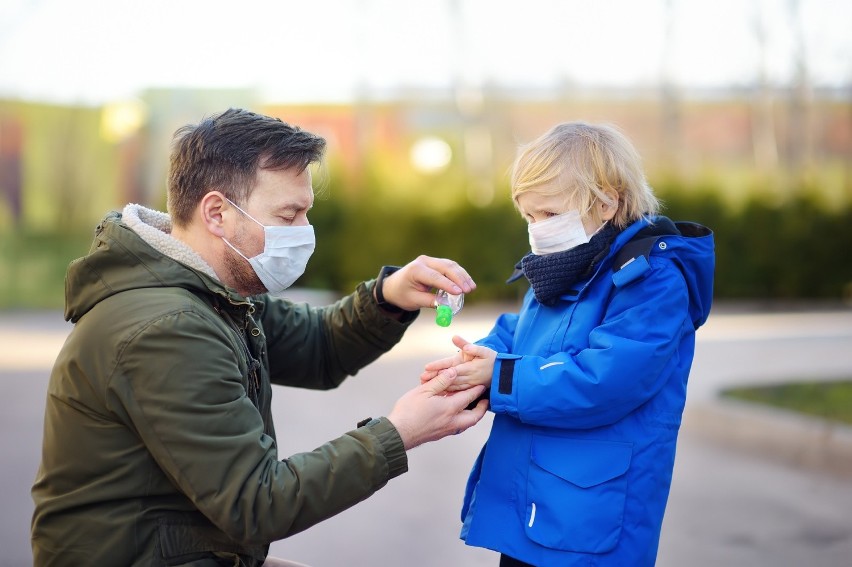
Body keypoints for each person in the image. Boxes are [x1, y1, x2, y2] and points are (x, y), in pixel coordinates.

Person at [30, 108, 489, 567]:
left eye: (306, 214)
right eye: (288, 215)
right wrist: (399, 433)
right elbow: (257, 502)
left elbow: (318, 349)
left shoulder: (210, 289)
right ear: (217, 213)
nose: (304, 233)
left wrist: (390, 296)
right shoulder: (168, 328)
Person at [421, 122, 715, 566]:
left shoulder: (652, 281)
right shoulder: (564, 265)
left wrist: (498, 375)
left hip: (588, 512)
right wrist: (470, 360)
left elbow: (607, 379)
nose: (538, 229)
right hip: (537, 500)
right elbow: (522, 333)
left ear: (606, 200)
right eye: (530, 217)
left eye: (550, 214)